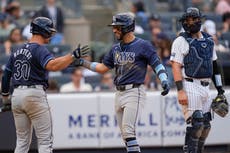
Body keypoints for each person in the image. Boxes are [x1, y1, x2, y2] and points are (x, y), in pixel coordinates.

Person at [74, 13, 170, 153]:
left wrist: (164, 79)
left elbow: (157, 64)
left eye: (118, 27)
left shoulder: (142, 45)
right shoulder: (116, 48)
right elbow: (102, 68)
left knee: (128, 131)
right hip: (118, 93)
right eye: (114, 27)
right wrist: (83, 62)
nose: (114, 30)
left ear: (127, 27)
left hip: (134, 91)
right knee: (126, 136)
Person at [0, 16, 89, 153]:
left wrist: (6, 99)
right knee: (45, 141)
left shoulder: (17, 50)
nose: (51, 34)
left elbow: (6, 76)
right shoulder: (40, 49)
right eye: (49, 31)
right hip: (34, 95)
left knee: (22, 142)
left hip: (17, 95)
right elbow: (52, 66)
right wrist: (71, 56)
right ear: (43, 31)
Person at [170, 7, 225, 153]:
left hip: (206, 86)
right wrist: (180, 90)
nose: (190, 22)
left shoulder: (208, 39)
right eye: (187, 20)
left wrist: (220, 90)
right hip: (189, 85)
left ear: (200, 20)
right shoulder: (180, 40)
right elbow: (175, 66)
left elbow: (214, 65)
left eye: (194, 19)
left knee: (206, 126)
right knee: (197, 123)